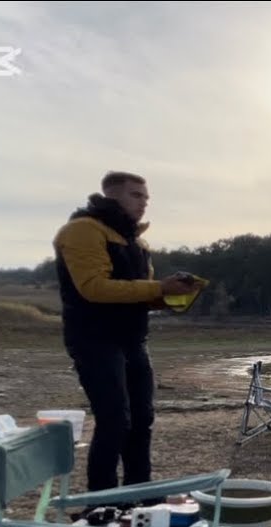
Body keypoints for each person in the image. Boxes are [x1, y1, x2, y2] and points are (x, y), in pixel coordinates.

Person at [53, 171, 200, 496]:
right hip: (94, 339)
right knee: (114, 421)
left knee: (142, 419)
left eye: (146, 197)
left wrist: (167, 298)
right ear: (111, 195)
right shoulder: (82, 231)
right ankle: (101, 502)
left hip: (133, 339)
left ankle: (140, 494)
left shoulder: (137, 242)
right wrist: (158, 286)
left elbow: (135, 295)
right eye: (136, 195)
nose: (144, 202)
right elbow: (93, 288)